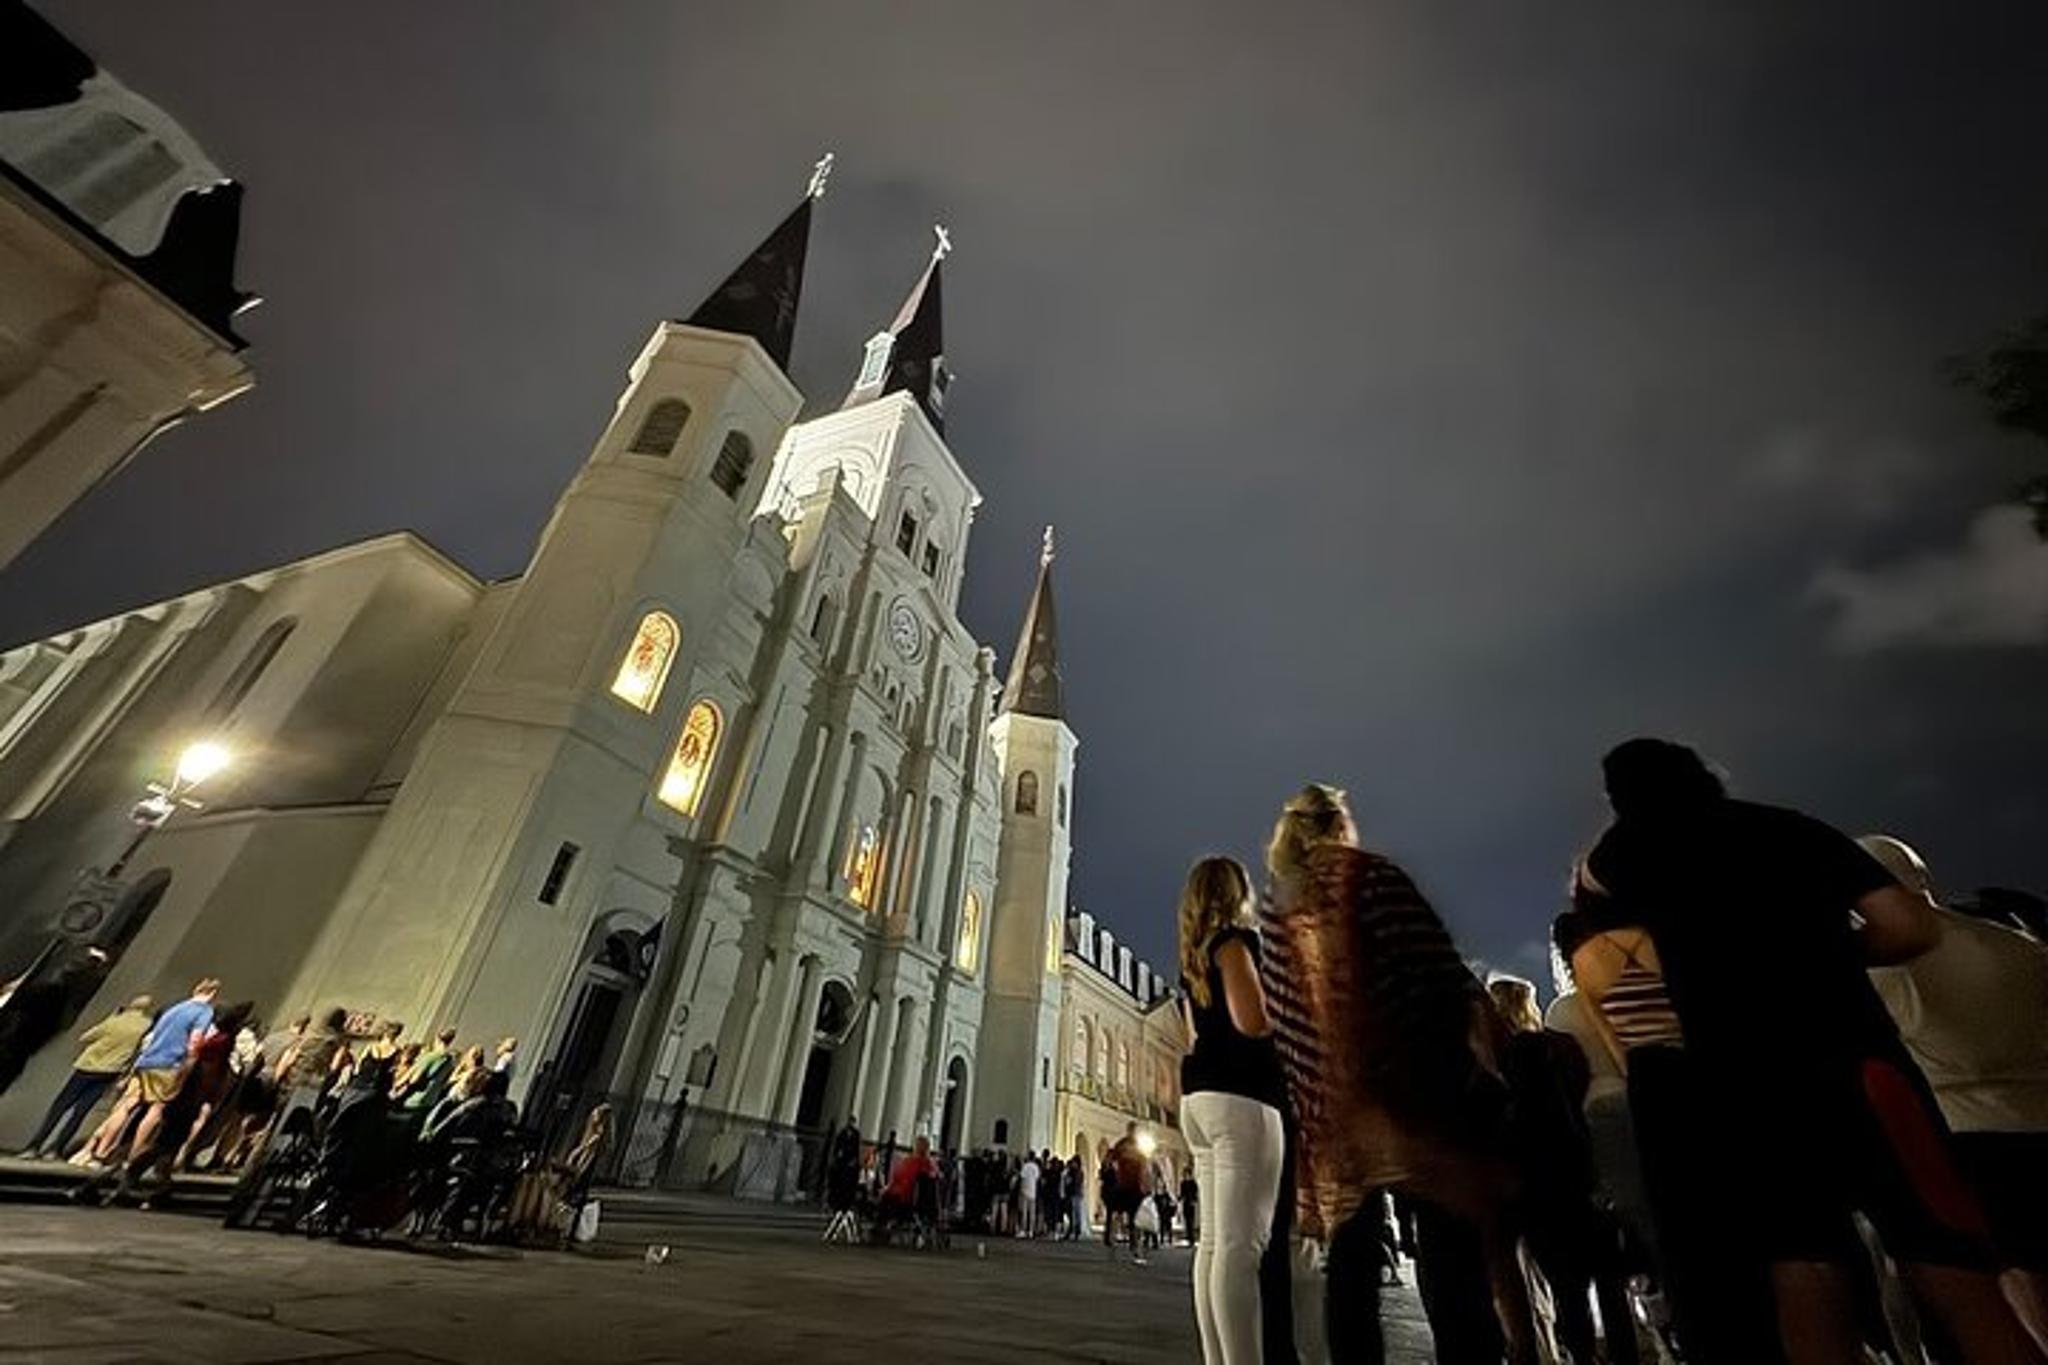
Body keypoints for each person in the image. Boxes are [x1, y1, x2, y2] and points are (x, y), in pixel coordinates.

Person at [1583, 738, 2042, 1365]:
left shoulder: (1616, 860)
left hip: (1745, 1086)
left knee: (1804, 1269)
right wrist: (1837, 956)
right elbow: (1908, 926)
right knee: (1950, 1264)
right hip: (1866, 1069)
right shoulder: (1788, 828)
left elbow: (1612, 973)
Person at [1260, 783, 1530, 1365]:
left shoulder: (1276, 911)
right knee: (1447, 1253)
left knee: (1351, 1268)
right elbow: (1442, 972)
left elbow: (1285, 1019)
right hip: (1414, 1094)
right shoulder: (1372, 877)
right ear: (1338, 824)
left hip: (1332, 1111)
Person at [1861, 835, 2048, 1355]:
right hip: (2041, 1118)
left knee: (2003, 1285)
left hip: (1957, 1135)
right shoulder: (2018, 946)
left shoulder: (1884, 964)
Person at [1489, 975, 1640, 1365]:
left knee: (1566, 1289)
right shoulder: (1562, 1047)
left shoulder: (1500, 1061)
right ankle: (1627, 1353)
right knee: (1609, 1281)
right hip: (1580, 1170)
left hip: (1537, 1185)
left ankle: (1576, 1353)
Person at [1178, 854, 1289, 1364]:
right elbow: (1252, 1021)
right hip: (1242, 1098)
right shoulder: (1234, 945)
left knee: (1213, 1246)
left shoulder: (1194, 958)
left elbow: (1194, 1035)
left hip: (1199, 1100)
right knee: (1241, 1249)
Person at [20, 994, 153, 1159]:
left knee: (60, 1107)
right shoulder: (146, 1026)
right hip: (111, 1071)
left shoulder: (115, 1021)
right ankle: (56, 1149)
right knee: (80, 1112)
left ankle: (35, 1146)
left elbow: (86, 1037)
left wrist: (111, 1018)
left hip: (87, 1066)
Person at [120, 977, 220, 1162]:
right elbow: (195, 1042)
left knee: (131, 1105)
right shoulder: (204, 1012)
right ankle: (135, 1154)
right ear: (213, 994)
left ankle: (107, 1149)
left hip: (148, 1060)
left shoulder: (175, 1008)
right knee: (157, 1110)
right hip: (169, 1063)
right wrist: (187, 1067)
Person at [871, 1135, 938, 1240]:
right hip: (905, 1193)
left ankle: (881, 1228)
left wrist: (889, 1190)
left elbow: (906, 1181)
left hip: (906, 1197)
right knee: (885, 1196)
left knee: (885, 1200)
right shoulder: (918, 1162)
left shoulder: (917, 1162)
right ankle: (882, 1226)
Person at [1106, 1122, 1152, 1265]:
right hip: (1125, 1186)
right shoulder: (1127, 1145)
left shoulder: (1130, 1145)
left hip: (1132, 1187)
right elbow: (1110, 1158)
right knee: (1119, 1215)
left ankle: (1132, 1247)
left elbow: (1144, 1166)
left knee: (1132, 1220)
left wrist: (1145, 1184)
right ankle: (1117, 1243)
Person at [1017, 1149, 1042, 1237]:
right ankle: (1031, 1230)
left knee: (1024, 1211)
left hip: (1025, 1190)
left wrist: (1021, 1189)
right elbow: (1037, 1178)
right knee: (1032, 1212)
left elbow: (1022, 1177)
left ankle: (1023, 1230)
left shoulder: (1025, 1166)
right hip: (1033, 1191)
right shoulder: (1036, 1167)